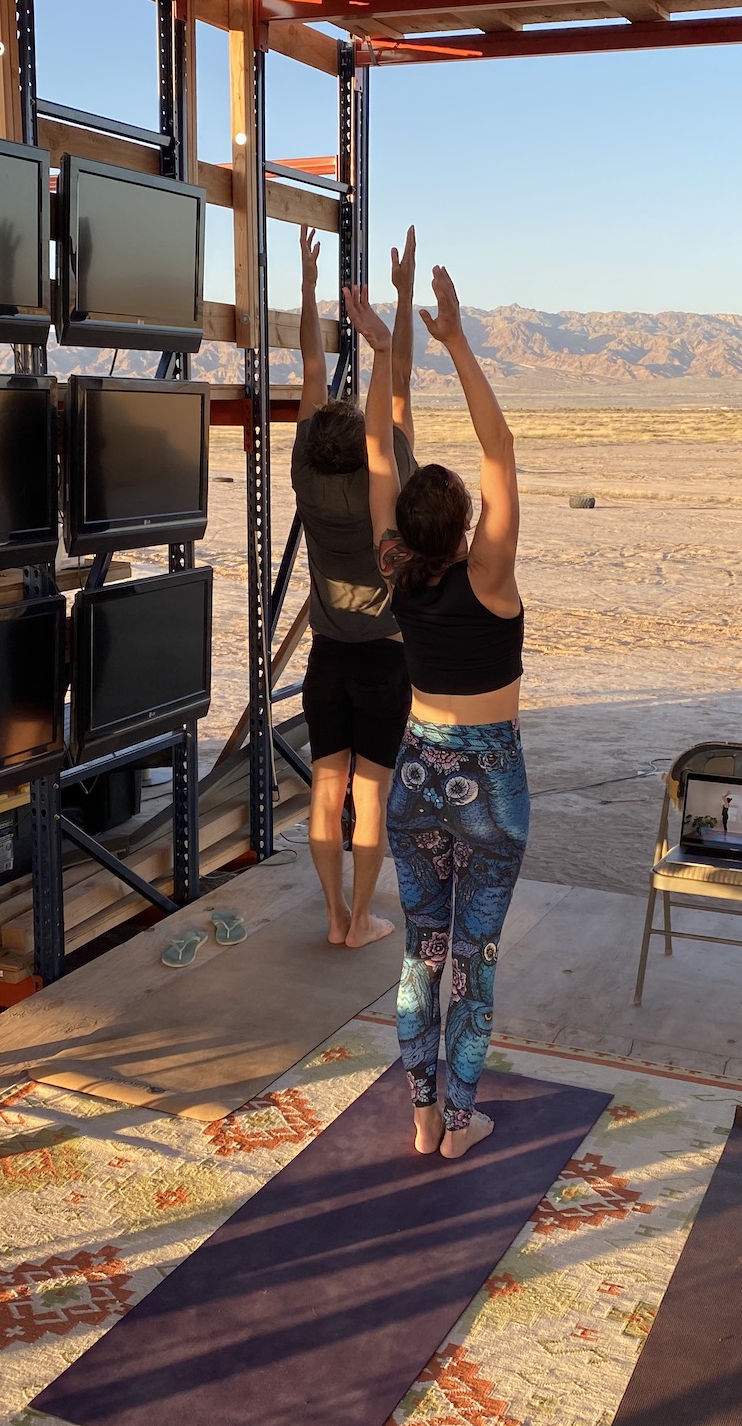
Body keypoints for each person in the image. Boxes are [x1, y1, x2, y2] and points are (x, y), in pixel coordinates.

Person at [353, 267, 527, 1162]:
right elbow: (499, 455)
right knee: (476, 958)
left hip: (416, 768)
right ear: (464, 526)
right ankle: (461, 1119)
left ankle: (423, 1114)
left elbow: (383, 455)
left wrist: (381, 356)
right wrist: (453, 344)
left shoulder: (398, 568)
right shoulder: (485, 578)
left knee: (421, 948)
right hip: (488, 778)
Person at [288, 224, 422, 948]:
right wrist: (397, 302)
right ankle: (363, 919)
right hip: (384, 658)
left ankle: (335, 914)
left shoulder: (305, 477)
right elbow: (395, 386)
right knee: (370, 794)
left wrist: (308, 288)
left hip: (328, 657)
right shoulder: (388, 475)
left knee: (326, 788)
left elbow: (312, 368)